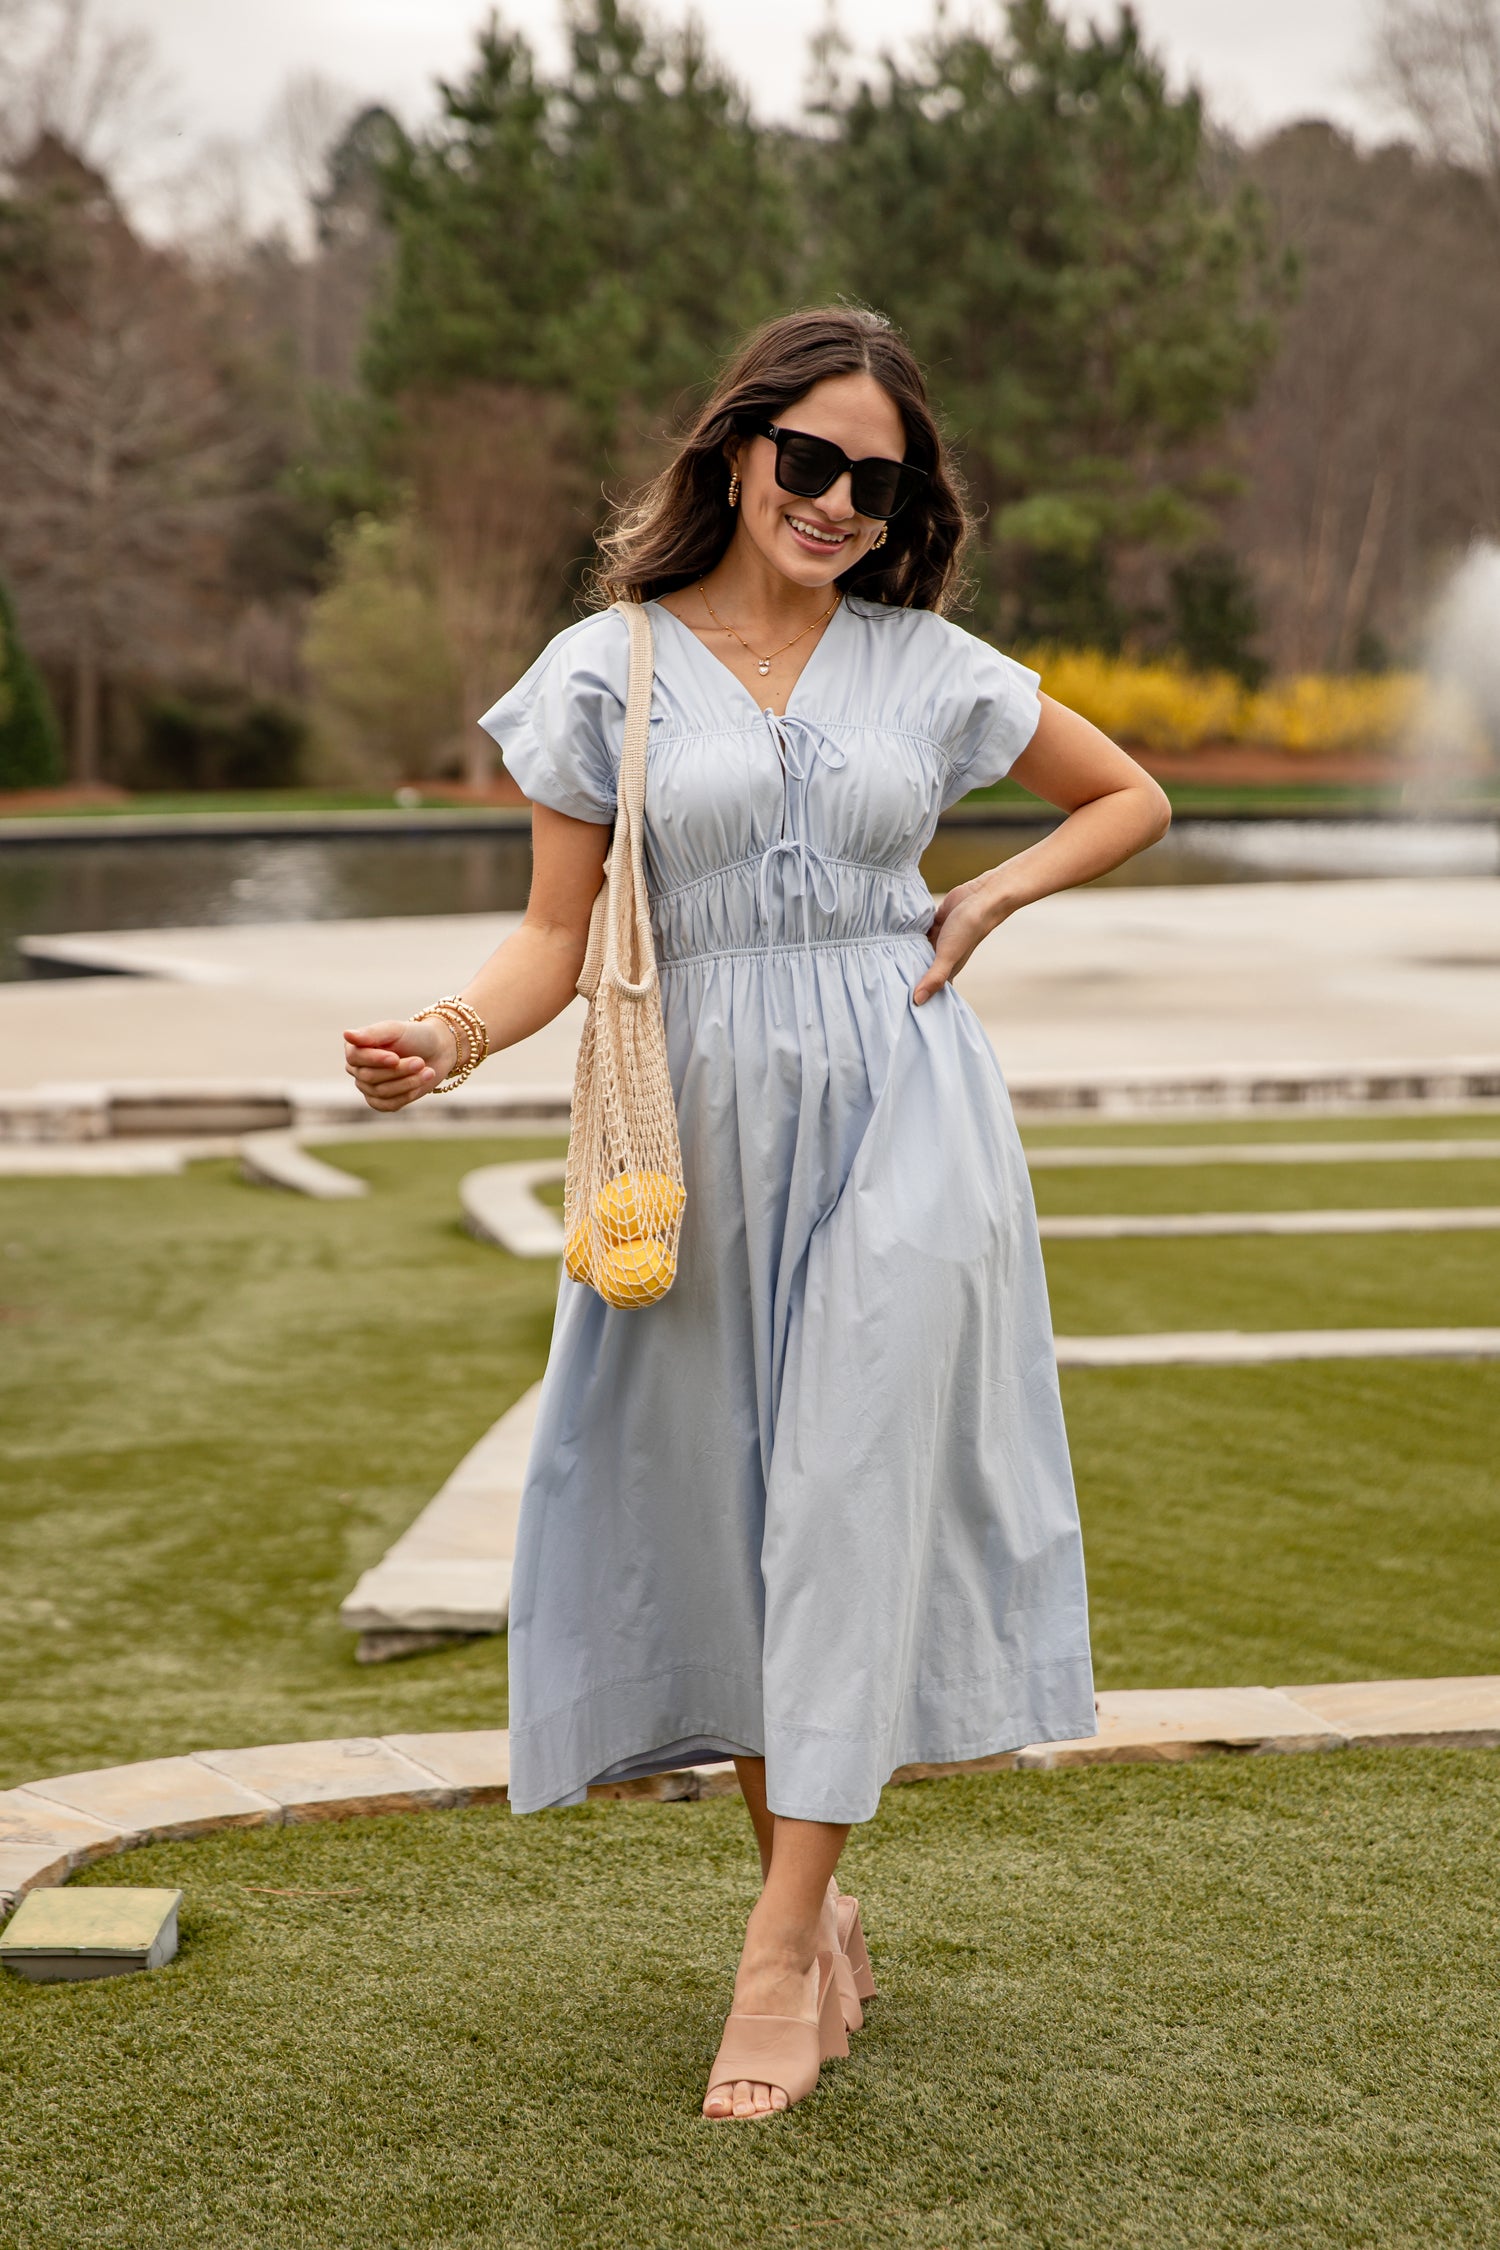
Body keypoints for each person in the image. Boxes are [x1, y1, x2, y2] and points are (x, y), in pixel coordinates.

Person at [344, 305, 1169, 2122]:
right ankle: (815, 1898)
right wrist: (446, 1037)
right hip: (699, 1131)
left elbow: (1130, 795)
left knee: (848, 1498)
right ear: (736, 450)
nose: (841, 503)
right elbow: (555, 934)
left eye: (881, 485)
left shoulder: (926, 663)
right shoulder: (606, 668)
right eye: (813, 461)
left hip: (903, 1109)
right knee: (739, 1522)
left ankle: (778, 1949)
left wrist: (989, 897)